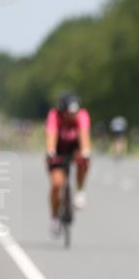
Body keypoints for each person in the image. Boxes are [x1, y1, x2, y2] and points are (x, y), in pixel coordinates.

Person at [45, 93, 92, 235]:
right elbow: (51, 136)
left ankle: (80, 191)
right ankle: (54, 216)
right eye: (69, 113)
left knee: (85, 160)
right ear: (62, 111)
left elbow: (84, 136)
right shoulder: (54, 116)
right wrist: (50, 152)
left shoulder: (82, 115)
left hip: (74, 147)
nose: (73, 115)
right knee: (57, 184)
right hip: (58, 149)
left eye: (75, 112)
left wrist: (86, 152)